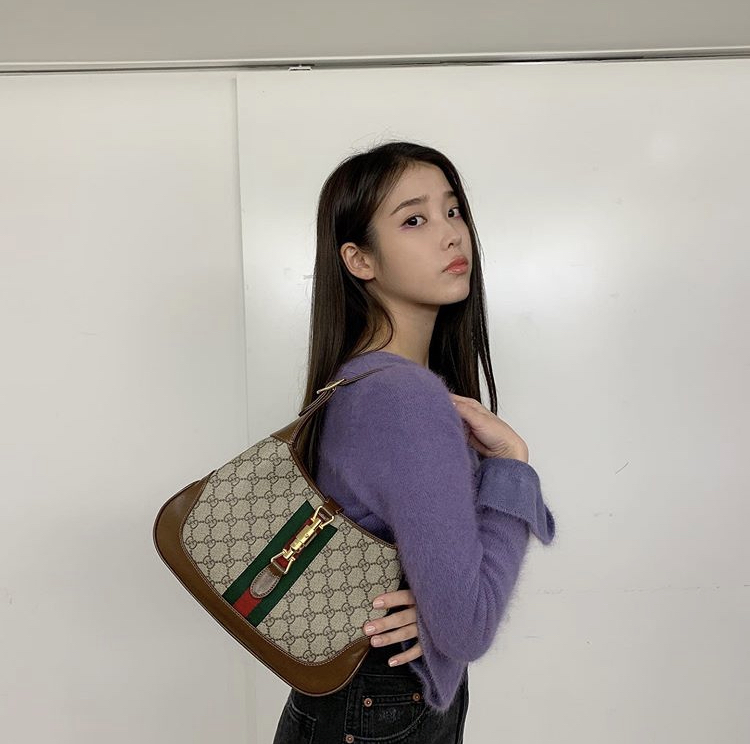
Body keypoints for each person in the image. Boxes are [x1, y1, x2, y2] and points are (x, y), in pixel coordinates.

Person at [272, 141, 556, 743]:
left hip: (357, 700)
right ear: (360, 260)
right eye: (414, 220)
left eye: (453, 211)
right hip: (382, 701)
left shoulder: (358, 378)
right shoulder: (403, 397)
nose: (451, 235)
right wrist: (511, 465)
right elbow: (468, 627)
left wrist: (427, 605)